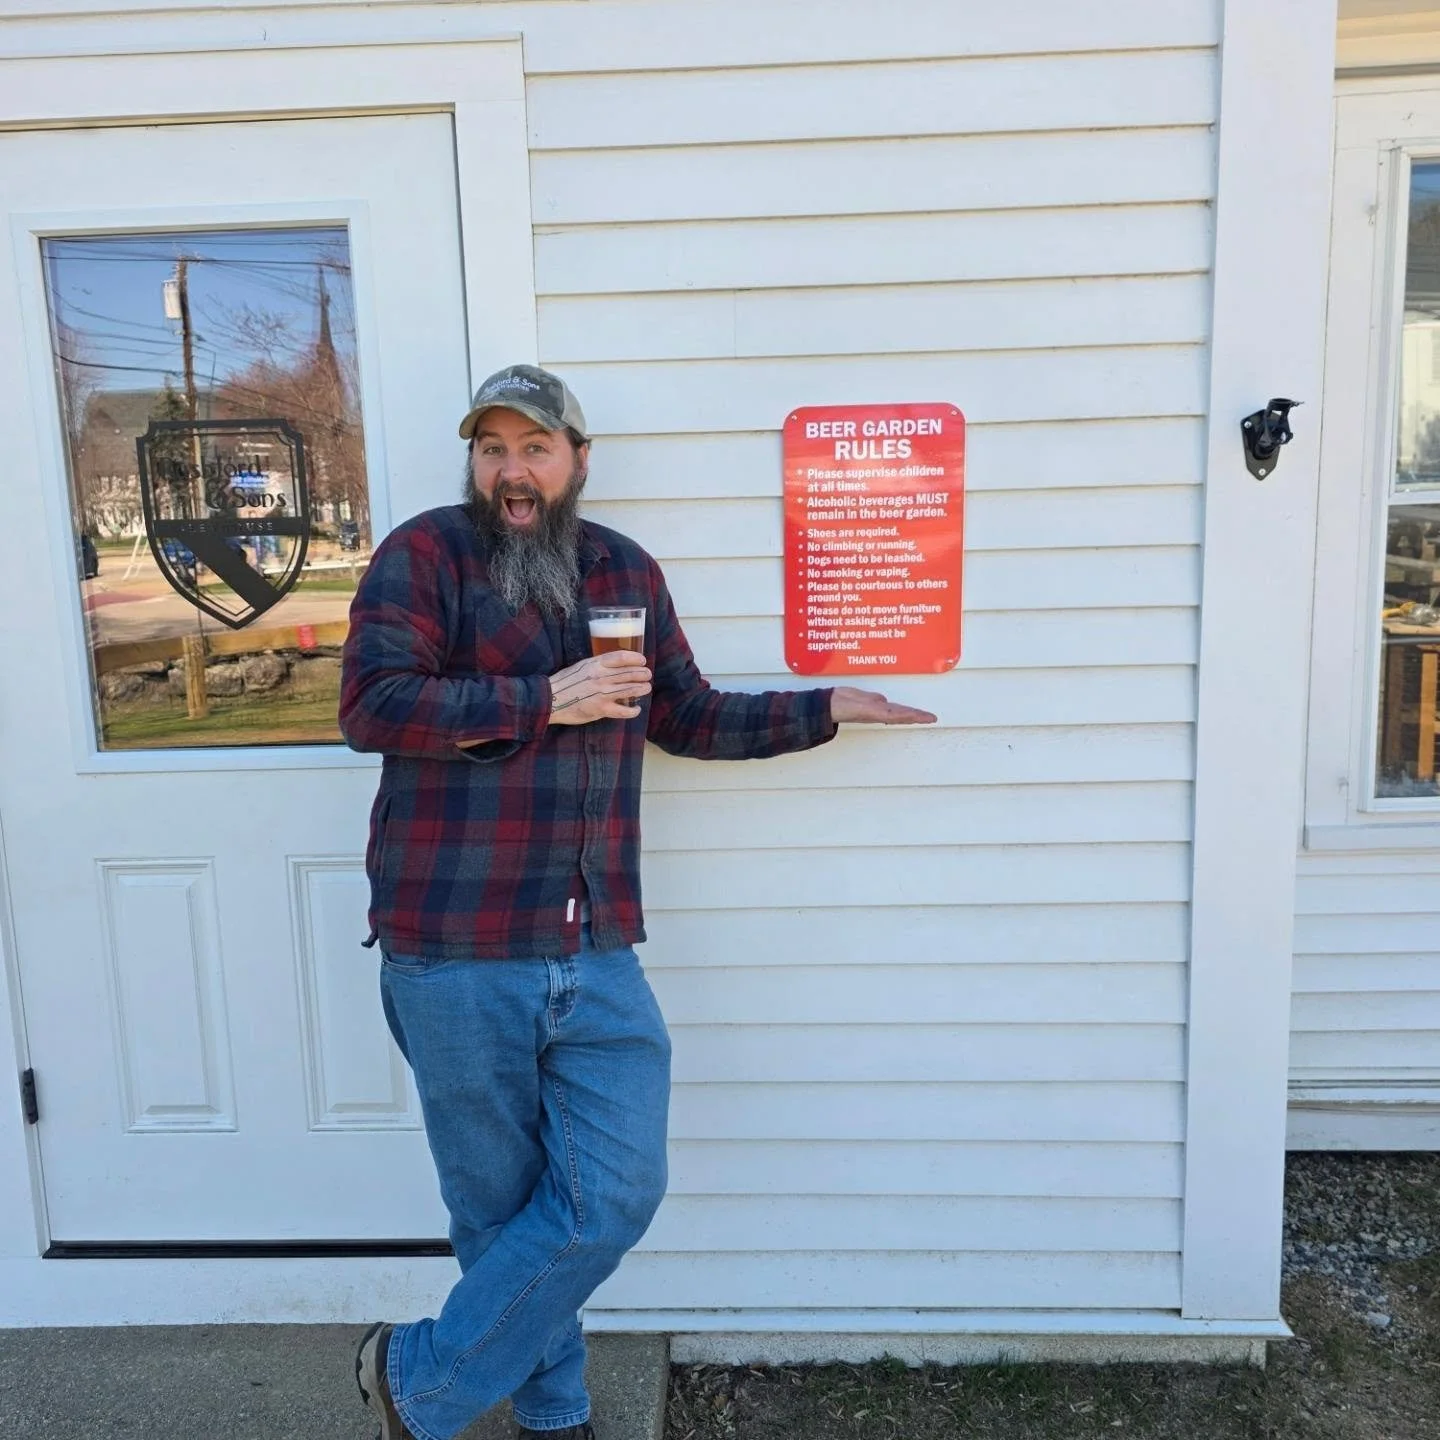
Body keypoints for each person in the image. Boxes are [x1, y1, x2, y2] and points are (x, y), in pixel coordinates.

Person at [339, 364, 936, 1440]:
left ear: (576, 459)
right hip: (456, 946)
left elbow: (689, 714)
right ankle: (556, 1415)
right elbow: (373, 704)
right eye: (492, 448)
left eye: (534, 447)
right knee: (497, 1214)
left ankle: (417, 1378)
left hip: (596, 940)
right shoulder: (424, 555)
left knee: (607, 1198)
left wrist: (825, 708)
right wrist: (541, 699)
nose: (511, 470)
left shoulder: (624, 569)